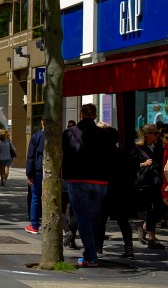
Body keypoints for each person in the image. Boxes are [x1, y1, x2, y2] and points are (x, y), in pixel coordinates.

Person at [62, 103, 116, 267]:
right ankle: (93, 251)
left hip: (78, 180)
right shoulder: (105, 135)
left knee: (83, 217)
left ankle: (90, 255)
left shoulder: (69, 133)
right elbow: (110, 154)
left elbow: (65, 155)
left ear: (80, 114)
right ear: (95, 116)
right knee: (94, 216)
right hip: (100, 181)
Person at [97, 123, 135, 258]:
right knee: (123, 221)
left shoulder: (99, 156)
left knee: (101, 221)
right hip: (120, 193)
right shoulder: (123, 155)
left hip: (104, 192)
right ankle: (129, 248)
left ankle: (98, 247)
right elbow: (131, 174)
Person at [132, 123, 165, 249]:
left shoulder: (158, 147)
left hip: (157, 182)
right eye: (155, 133)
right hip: (145, 183)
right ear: (147, 134)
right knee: (152, 209)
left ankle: (144, 227)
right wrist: (143, 164)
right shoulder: (137, 148)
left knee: (160, 209)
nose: (158, 135)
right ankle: (152, 238)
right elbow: (131, 165)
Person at [25, 119, 45, 234]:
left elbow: (31, 156)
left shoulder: (36, 137)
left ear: (42, 122)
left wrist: (29, 174)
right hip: (54, 172)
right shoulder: (58, 136)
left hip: (38, 171)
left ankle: (34, 225)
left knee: (36, 197)